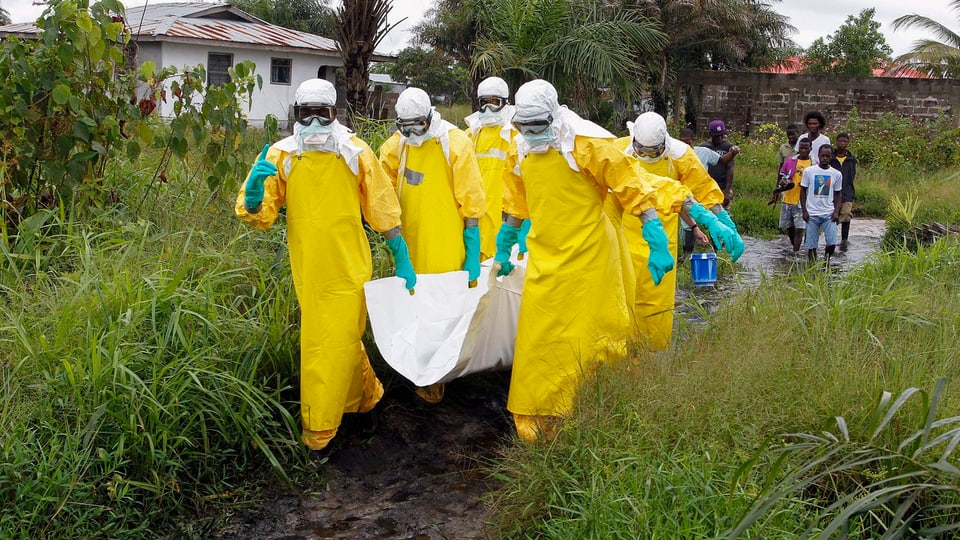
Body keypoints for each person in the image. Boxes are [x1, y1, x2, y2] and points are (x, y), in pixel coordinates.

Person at [234, 78, 417, 454]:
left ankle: (320, 429)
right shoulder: (281, 155)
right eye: (307, 113)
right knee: (342, 339)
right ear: (296, 115)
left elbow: (381, 206)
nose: (315, 122)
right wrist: (253, 199)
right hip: (309, 268)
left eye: (323, 113)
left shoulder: (355, 152)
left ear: (336, 114)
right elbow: (261, 215)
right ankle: (368, 400)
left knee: (325, 343)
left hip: (350, 266)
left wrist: (401, 255)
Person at [492, 79, 673, 443]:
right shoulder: (520, 148)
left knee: (594, 336)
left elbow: (631, 186)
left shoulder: (586, 143)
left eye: (537, 127)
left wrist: (656, 238)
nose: (530, 134)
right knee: (540, 337)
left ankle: (597, 407)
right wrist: (505, 242)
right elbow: (515, 201)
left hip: (592, 257)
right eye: (522, 127)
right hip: (546, 255)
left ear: (554, 117)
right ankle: (539, 416)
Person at [379, 87, 486, 405]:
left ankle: (437, 377)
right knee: (412, 308)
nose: (412, 133)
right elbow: (381, 186)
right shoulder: (397, 146)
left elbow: (472, 201)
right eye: (405, 127)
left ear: (430, 118)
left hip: (445, 244)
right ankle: (416, 368)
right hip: (409, 243)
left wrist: (472, 248)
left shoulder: (454, 143)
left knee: (443, 311)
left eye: (418, 126)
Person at [614, 112, 743, 351]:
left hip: (663, 237)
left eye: (653, 153)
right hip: (624, 236)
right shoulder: (618, 151)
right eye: (642, 152)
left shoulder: (682, 155)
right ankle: (622, 356)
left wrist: (722, 218)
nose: (647, 157)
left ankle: (650, 354)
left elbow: (702, 187)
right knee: (621, 299)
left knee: (656, 303)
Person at [463, 76, 525, 260]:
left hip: (506, 217)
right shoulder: (470, 135)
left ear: (505, 103)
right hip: (476, 217)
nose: (488, 108)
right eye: (484, 103)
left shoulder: (517, 135)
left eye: (494, 103)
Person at [800, 144, 843, 262]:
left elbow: (838, 194)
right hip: (812, 214)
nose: (825, 158)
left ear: (831, 157)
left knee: (832, 243)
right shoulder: (809, 171)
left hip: (828, 213)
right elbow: (803, 190)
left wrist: (836, 211)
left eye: (827, 156)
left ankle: (826, 262)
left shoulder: (836, 174)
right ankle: (812, 268)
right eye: (822, 155)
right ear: (818, 156)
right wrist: (804, 211)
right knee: (811, 245)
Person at [778, 138, 813, 252]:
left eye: (806, 148)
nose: (803, 150)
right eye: (801, 148)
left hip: (802, 201)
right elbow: (782, 178)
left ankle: (795, 253)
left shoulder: (813, 164)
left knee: (800, 228)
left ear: (810, 149)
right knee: (790, 228)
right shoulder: (790, 161)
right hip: (788, 198)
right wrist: (784, 183)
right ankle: (795, 248)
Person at [698, 120, 740, 208]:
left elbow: (730, 168)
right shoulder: (704, 147)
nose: (719, 138)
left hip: (722, 187)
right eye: (717, 136)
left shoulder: (728, 147)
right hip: (707, 188)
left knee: (724, 213)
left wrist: (727, 191)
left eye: (722, 135)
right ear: (710, 134)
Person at [830, 133, 857, 252]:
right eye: (840, 141)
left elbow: (852, 175)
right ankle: (831, 238)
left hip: (847, 191)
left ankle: (844, 239)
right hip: (832, 192)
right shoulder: (831, 158)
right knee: (832, 215)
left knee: (846, 214)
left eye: (845, 141)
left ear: (848, 143)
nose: (842, 143)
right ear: (836, 142)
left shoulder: (851, 159)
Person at [768, 123, 800, 205]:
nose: (790, 137)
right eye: (788, 135)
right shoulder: (783, 147)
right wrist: (777, 185)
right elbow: (781, 167)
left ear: (798, 133)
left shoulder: (802, 146)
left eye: (793, 134)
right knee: (786, 201)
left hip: (798, 177)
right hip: (785, 180)